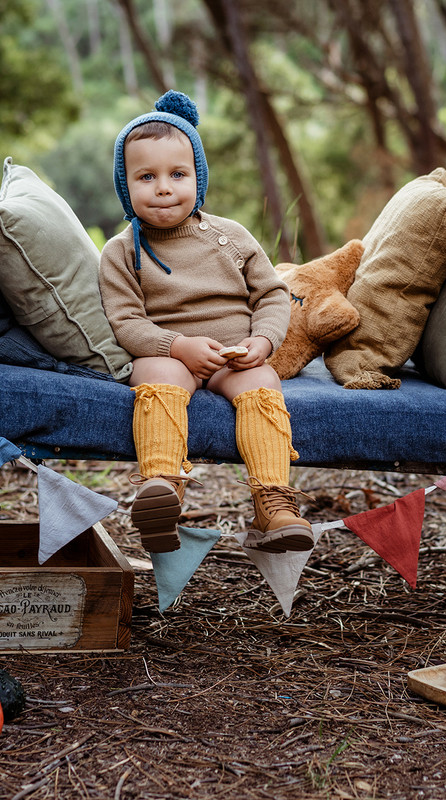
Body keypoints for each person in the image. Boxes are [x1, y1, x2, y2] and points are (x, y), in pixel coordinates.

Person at [99, 90, 312, 556]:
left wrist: (263, 340)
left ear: (198, 176)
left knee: (262, 383)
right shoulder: (121, 252)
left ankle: (272, 503)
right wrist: (176, 346)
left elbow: (272, 293)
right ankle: (163, 489)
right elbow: (126, 321)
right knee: (157, 376)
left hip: (234, 353)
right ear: (124, 184)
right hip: (171, 353)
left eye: (178, 174)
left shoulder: (229, 236)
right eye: (146, 176)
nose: (163, 187)